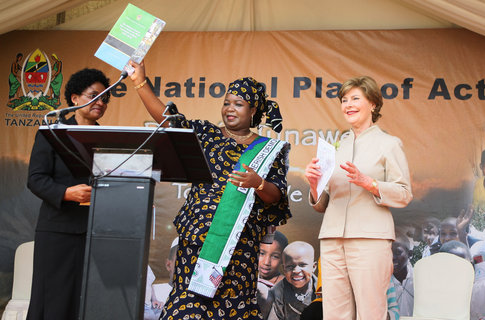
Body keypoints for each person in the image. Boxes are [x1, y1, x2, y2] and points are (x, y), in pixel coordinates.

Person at [128, 60, 291, 320]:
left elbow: (276, 196)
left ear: (253, 111)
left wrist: (257, 183)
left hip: (238, 246)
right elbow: (168, 121)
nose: (229, 109)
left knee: (232, 311)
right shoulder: (206, 133)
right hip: (197, 239)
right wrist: (140, 82)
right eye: (227, 102)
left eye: (238, 104)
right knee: (187, 309)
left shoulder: (270, 149)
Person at [304, 75, 412, 319]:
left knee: (371, 312)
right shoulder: (338, 146)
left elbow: (404, 193)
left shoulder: (389, 144)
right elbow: (323, 203)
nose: (348, 105)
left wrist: (370, 183)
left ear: (373, 104)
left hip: (370, 239)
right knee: (334, 313)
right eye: (344, 100)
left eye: (355, 98)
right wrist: (314, 185)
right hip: (332, 239)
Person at [26, 68, 111, 320]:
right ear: (74, 98)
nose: (101, 102)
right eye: (94, 96)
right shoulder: (52, 133)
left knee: (86, 301)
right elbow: (35, 179)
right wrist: (66, 193)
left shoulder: (111, 138)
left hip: (95, 232)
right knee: (52, 299)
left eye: (105, 98)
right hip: (57, 231)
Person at [267, 241, 317, 320]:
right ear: (284, 269)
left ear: (313, 267)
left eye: (302, 265)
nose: (296, 271)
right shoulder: (278, 292)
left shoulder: (322, 290)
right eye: (290, 266)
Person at [257, 230, 289, 319]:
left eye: (275, 256)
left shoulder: (286, 285)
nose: (266, 262)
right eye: (262, 253)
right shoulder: (248, 278)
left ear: (283, 259)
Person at [391, 233, 414, 317]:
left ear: (410, 254)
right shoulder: (383, 283)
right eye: (388, 252)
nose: (392, 257)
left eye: (398, 252)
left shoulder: (418, 279)